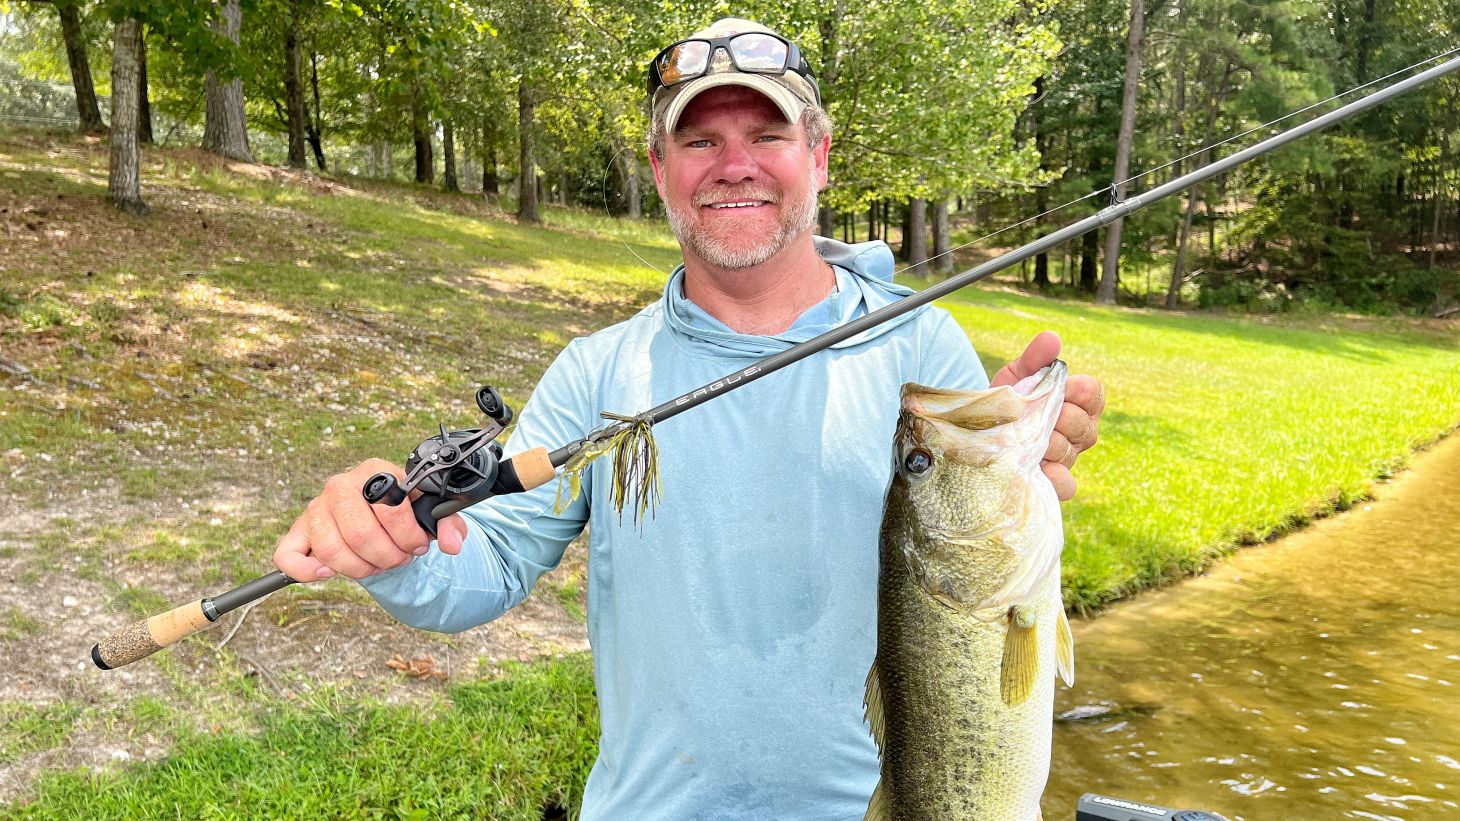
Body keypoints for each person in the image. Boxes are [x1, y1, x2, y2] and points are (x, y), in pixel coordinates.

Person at [274, 17, 1103, 820]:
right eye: (700, 141)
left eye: (768, 135)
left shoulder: (919, 344)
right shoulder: (599, 371)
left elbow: (987, 559)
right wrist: (394, 548)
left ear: (818, 157)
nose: (734, 165)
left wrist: (1025, 460)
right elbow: (484, 566)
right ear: (659, 167)